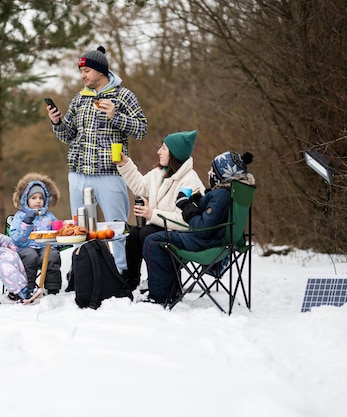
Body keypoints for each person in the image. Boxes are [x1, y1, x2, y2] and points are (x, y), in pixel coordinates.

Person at [46, 45, 148, 273]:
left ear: (101, 71)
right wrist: (56, 123)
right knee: (80, 229)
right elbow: (67, 135)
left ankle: (123, 273)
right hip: (78, 173)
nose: (82, 76)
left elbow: (141, 129)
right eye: (81, 71)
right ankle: (84, 272)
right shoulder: (79, 98)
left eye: (86, 71)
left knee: (117, 227)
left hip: (111, 173)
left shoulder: (123, 95)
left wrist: (116, 116)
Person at [142, 150, 255, 304]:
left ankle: (161, 296)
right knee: (158, 238)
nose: (209, 173)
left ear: (222, 174)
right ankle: (170, 290)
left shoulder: (221, 195)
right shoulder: (232, 192)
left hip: (207, 243)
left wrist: (186, 206)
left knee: (152, 241)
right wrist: (198, 201)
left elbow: (203, 229)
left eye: (212, 170)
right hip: (221, 241)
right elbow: (213, 217)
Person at [115, 130, 206, 290]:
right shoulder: (159, 173)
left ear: (175, 153)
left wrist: (151, 214)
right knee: (134, 234)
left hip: (182, 235)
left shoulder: (190, 182)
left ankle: (159, 283)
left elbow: (186, 222)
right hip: (161, 228)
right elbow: (140, 186)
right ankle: (130, 281)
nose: (159, 152)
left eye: (164, 148)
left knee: (147, 232)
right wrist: (125, 164)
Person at [9, 173, 63, 295]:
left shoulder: (49, 216)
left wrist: (60, 231)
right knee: (30, 256)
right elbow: (16, 239)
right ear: (26, 199)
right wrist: (26, 223)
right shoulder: (20, 216)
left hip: (45, 247)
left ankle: (53, 288)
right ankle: (27, 288)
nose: (38, 201)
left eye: (41, 198)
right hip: (25, 247)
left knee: (52, 256)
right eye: (33, 198)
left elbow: (57, 232)